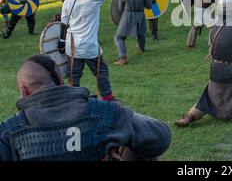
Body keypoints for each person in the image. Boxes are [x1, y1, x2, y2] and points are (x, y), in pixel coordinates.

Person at [0, 54, 171, 161]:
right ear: (60, 82)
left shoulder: (8, 132)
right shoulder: (106, 113)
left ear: (23, 90)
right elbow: (160, 135)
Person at [58, 0, 118, 101]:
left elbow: (64, 23)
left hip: (72, 46)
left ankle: (74, 100)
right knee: (100, 71)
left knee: (74, 76)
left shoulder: (68, 1)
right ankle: (107, 97)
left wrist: (61, 41)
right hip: (89, 46)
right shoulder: (94, 0)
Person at [114, 0, 154, 66]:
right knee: (141, 34)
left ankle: (122, 58)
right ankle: (141, 48)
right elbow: (149, 6)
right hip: (140, 15)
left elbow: (119, 7)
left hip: (127, 16)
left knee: (119, 37)